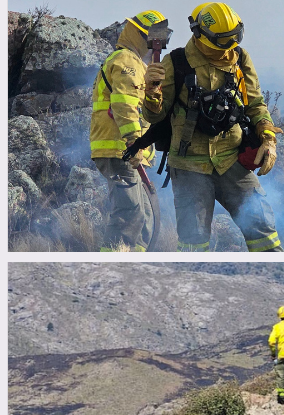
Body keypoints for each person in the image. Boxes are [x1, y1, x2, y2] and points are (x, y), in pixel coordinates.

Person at [142, 2, 283, 252]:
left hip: (230, 159)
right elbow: (156, 117)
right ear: (200, 35)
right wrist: (152, 93)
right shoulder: (175, 63)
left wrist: (268, 138)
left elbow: (256, 103)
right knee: (193, 243)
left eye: (234, 38)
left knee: (261, 226)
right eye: (222, 41)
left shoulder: (241, 58)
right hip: (189, 165)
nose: (230, 47)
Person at [89, 10, 166, 252]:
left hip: (126, 151)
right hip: (119, 149)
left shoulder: (136, 64)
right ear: (144, 37)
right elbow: (124, 104)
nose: (160, 46)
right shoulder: (127, 62)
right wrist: (134, 144)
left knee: (145, 219)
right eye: (157, 40)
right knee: (129, 213)